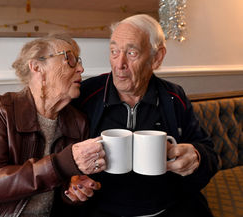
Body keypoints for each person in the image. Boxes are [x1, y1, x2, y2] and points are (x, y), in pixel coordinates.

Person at [68, 14, 219, 217]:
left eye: (131, 53)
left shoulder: (174, 96)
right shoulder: (87, 94)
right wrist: (71, 179)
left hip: (168, 208)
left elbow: (208, 153)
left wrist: (197, 156)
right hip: (103, 210)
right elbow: (61, 154)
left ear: (156, 58)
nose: (119, 64)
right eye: (114, 51)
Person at [0, 34, 107, 217]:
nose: (81, 69)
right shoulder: (2, 109)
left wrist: (73, 192)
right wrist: (60, 164)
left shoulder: (78, 122)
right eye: (70, 59)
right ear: (37, 67)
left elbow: (61, 191)